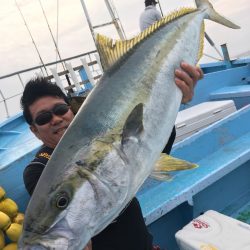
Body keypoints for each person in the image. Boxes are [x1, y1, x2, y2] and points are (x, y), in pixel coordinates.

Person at [21, 62, 203, 250]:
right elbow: (64, 222)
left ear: (70, 109)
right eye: (44, 118)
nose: (56, 119)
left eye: (60, 110)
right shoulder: (38, 170)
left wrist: (176, 98)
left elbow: (153, 154)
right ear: (34, 130)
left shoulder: (94, 135)